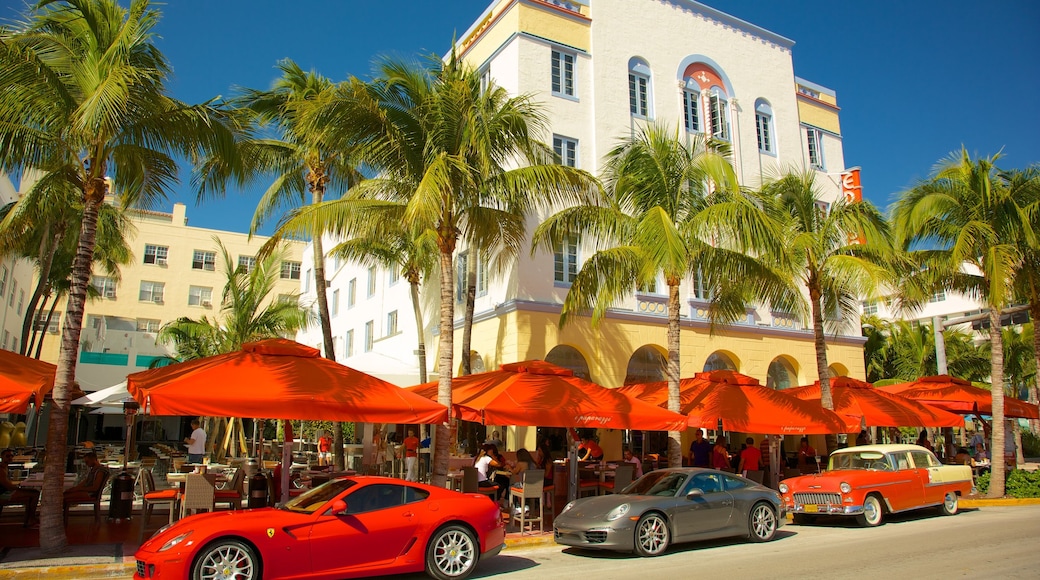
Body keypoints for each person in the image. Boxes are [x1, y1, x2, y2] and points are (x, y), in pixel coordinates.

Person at [0, 449, 40, 526]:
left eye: (11, 456)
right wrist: (20, 488)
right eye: (7, 456)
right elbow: (7, 485)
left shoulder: (5, 468)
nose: (10, 458)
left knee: (33, 494)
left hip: (7, 492)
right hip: (4, 494)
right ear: (2, 457)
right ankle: (31, 518)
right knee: (35, 493)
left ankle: (29, 519)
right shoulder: (1, 469)